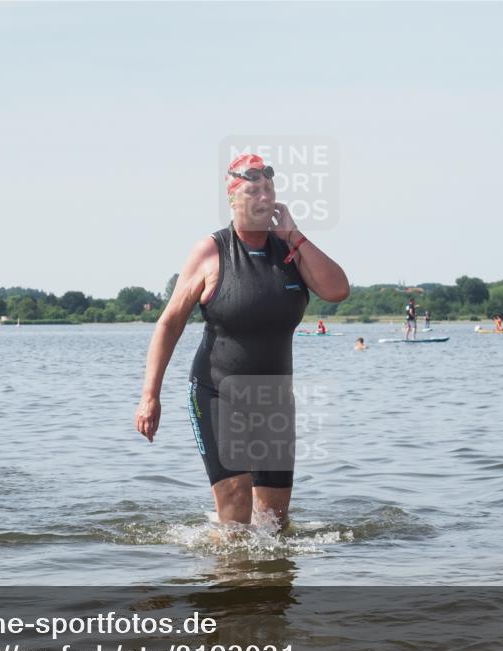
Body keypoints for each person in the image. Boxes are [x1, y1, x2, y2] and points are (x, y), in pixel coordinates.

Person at [135, 154, 349, 529]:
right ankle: (226, 581)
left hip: (274, 400)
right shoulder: (211, 251)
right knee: (236, 513)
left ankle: (267, 587)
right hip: (218, 394)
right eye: (253, 190)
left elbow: (337, 290)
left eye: (269, 189)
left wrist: (295, 235)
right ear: (233, 199)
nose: (264, 197)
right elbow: (169, 324)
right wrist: (150, 396)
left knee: (275, 522)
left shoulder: (291, 252)